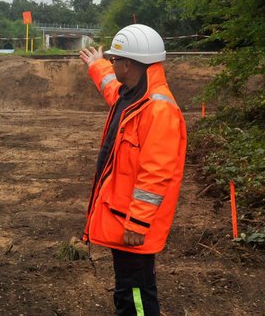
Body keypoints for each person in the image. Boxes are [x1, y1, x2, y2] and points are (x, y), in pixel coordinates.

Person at [78, 24, 187, 316]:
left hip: (133, 226)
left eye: (115, 60)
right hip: (122, 217)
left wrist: (138, 224)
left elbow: (156, 173)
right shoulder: (132, 96)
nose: (112, 64)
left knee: (136, 294)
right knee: (128, 287)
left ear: (128, 64)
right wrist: (96, 65)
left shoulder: (158, 110)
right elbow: (109, 86)